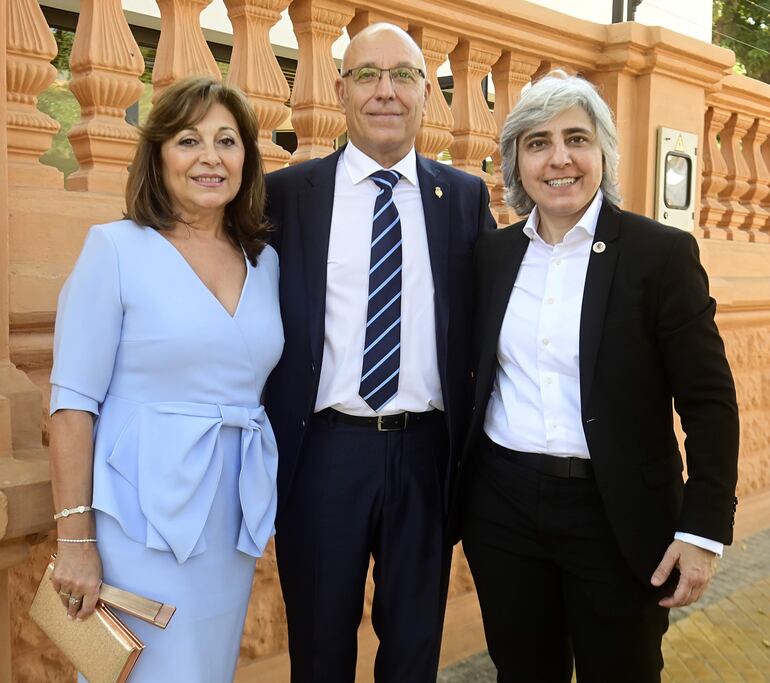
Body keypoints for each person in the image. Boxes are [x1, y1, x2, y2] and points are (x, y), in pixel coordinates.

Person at [457, 70, 739, 683]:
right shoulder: (491, 257)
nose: (559, 158)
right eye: (538, 143)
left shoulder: (659, 254)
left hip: (619, 517)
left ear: (602, 152)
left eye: (576, 139)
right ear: (517, 163)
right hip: (503, 510)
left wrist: (703, 529)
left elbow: (710, 401)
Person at [264, 22, 496, 683]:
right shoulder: (287, 196)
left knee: (414, 650)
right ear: (339, 90)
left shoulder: (466, 198)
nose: (385, 91)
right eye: (367, 74)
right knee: (320, 648)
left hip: (427, 454)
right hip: (322, 455)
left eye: (403, 76)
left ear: (428, 92)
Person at [48, 76, 283, 682]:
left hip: (230, 515)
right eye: (188, 140)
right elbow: (72, 405)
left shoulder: (266, 261)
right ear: (158, 156)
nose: (210, 157)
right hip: (136, 518)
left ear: (246, 159)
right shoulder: (115, 249)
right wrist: (75, 538)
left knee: (206, 669)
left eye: (227, 141)